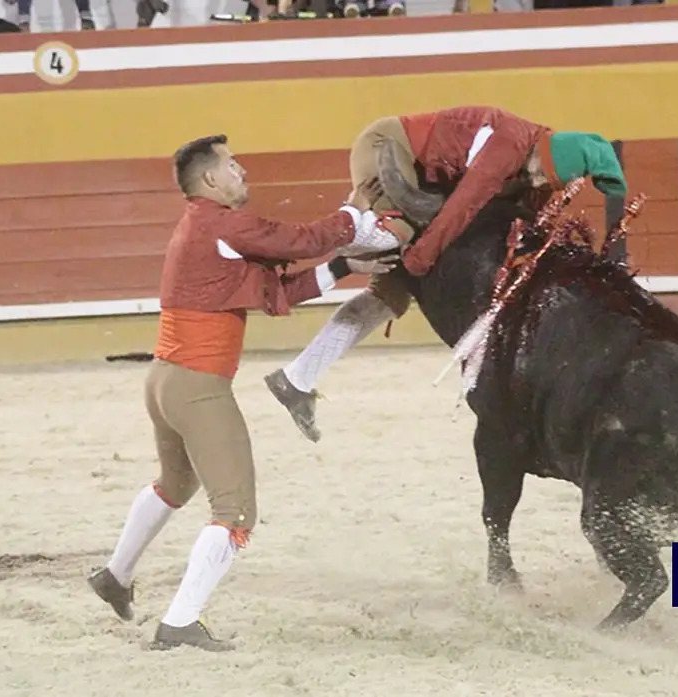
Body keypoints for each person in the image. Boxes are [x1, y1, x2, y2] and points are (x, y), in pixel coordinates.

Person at [86, 134, 400, 652]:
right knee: (234, 512)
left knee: (175, 485)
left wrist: (346, 266)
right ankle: (180, 623)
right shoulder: (225, 224)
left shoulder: (205, 229)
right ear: (210, 180)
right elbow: (302, 240)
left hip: (164, 379)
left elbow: (280, 292)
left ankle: (115, 577)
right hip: (198, 387)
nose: (243, 171)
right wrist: (353, 213)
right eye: (233, 166)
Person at [263, 105, 628, 442]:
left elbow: (524, 224)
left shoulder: (539, 164)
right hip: (388, 147)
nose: (536, 183)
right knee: (399, 235)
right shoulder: (509, 146)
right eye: (539, 174)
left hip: (427, 180)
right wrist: (417, 261)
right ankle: (340, 227)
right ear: (542, 155)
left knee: (390, 298)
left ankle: (296, 379)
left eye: (545, 182)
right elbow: (461, 208)